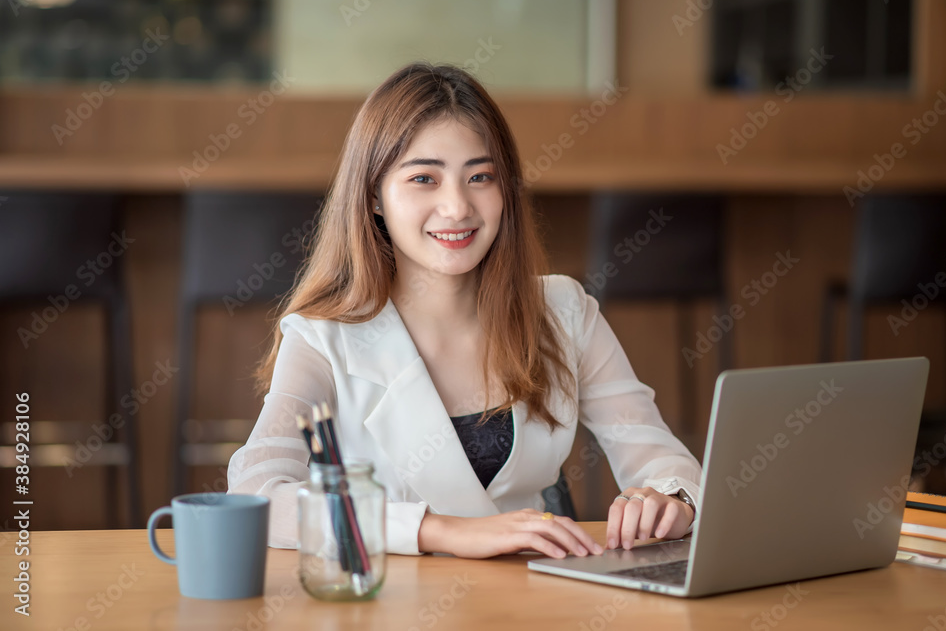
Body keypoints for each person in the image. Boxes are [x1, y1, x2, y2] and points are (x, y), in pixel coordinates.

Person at [227, 62, 702, 559]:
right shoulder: (323, 336)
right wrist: (439, 531)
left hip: (534, 600)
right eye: (424, 179)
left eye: (480, 176)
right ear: (374, 197)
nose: (457, 207)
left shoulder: (564, 310)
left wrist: (669, 498)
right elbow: (257, 493)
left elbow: (661, 459)